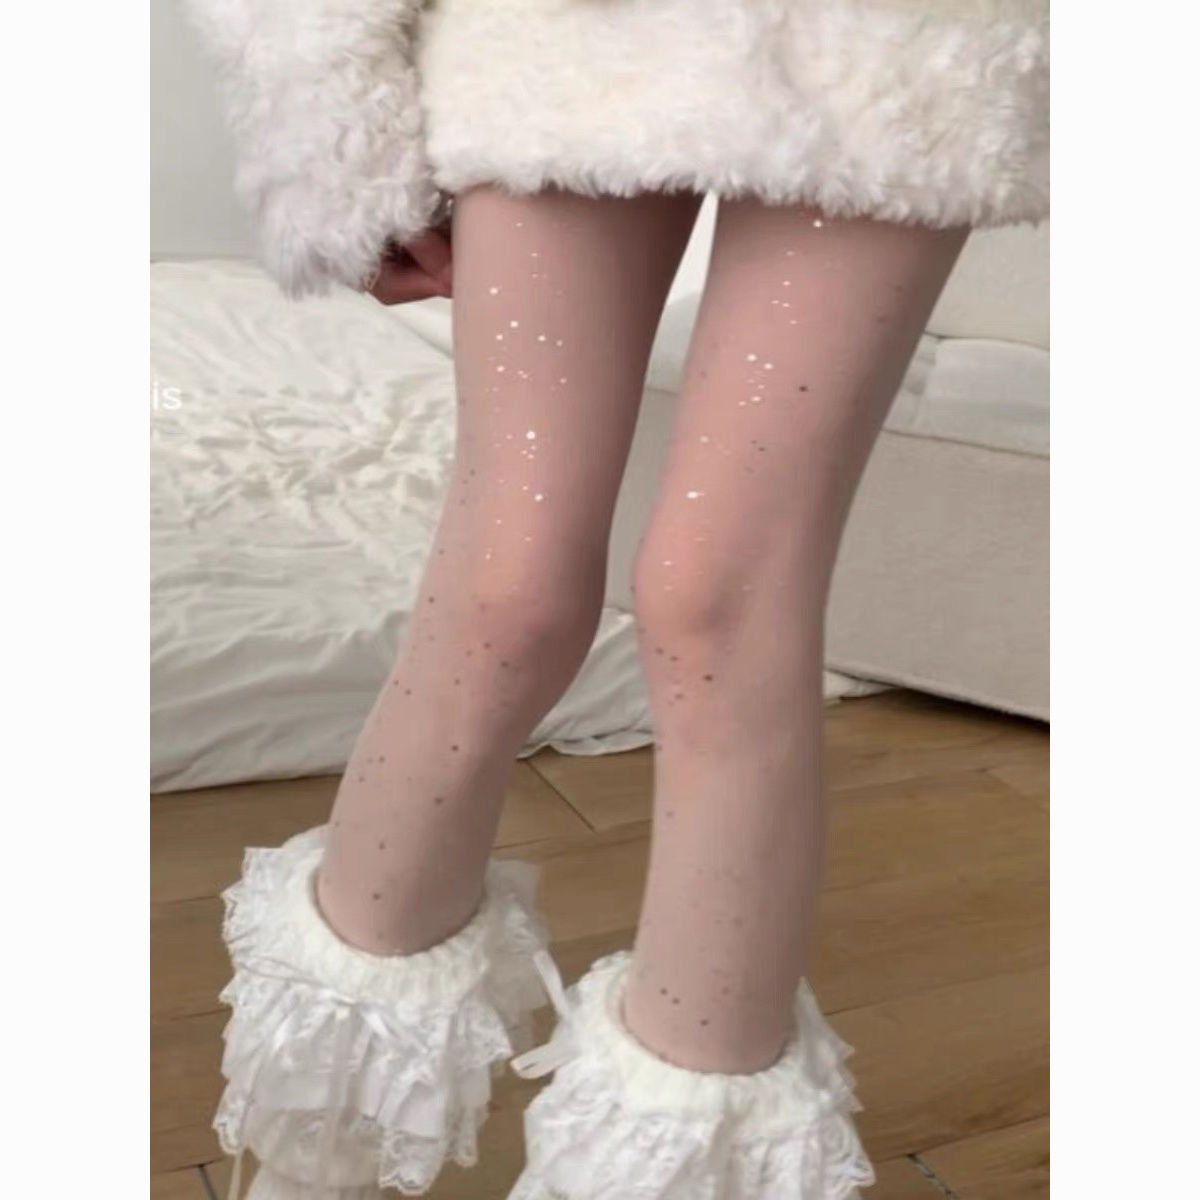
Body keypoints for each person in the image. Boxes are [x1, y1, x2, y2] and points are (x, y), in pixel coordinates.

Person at [187, 2, 1049, 1196]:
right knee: (506, 592)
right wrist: (332, 124)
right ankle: (313, 1164)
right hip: (566, 26)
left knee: (719, 605)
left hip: (897, 34)